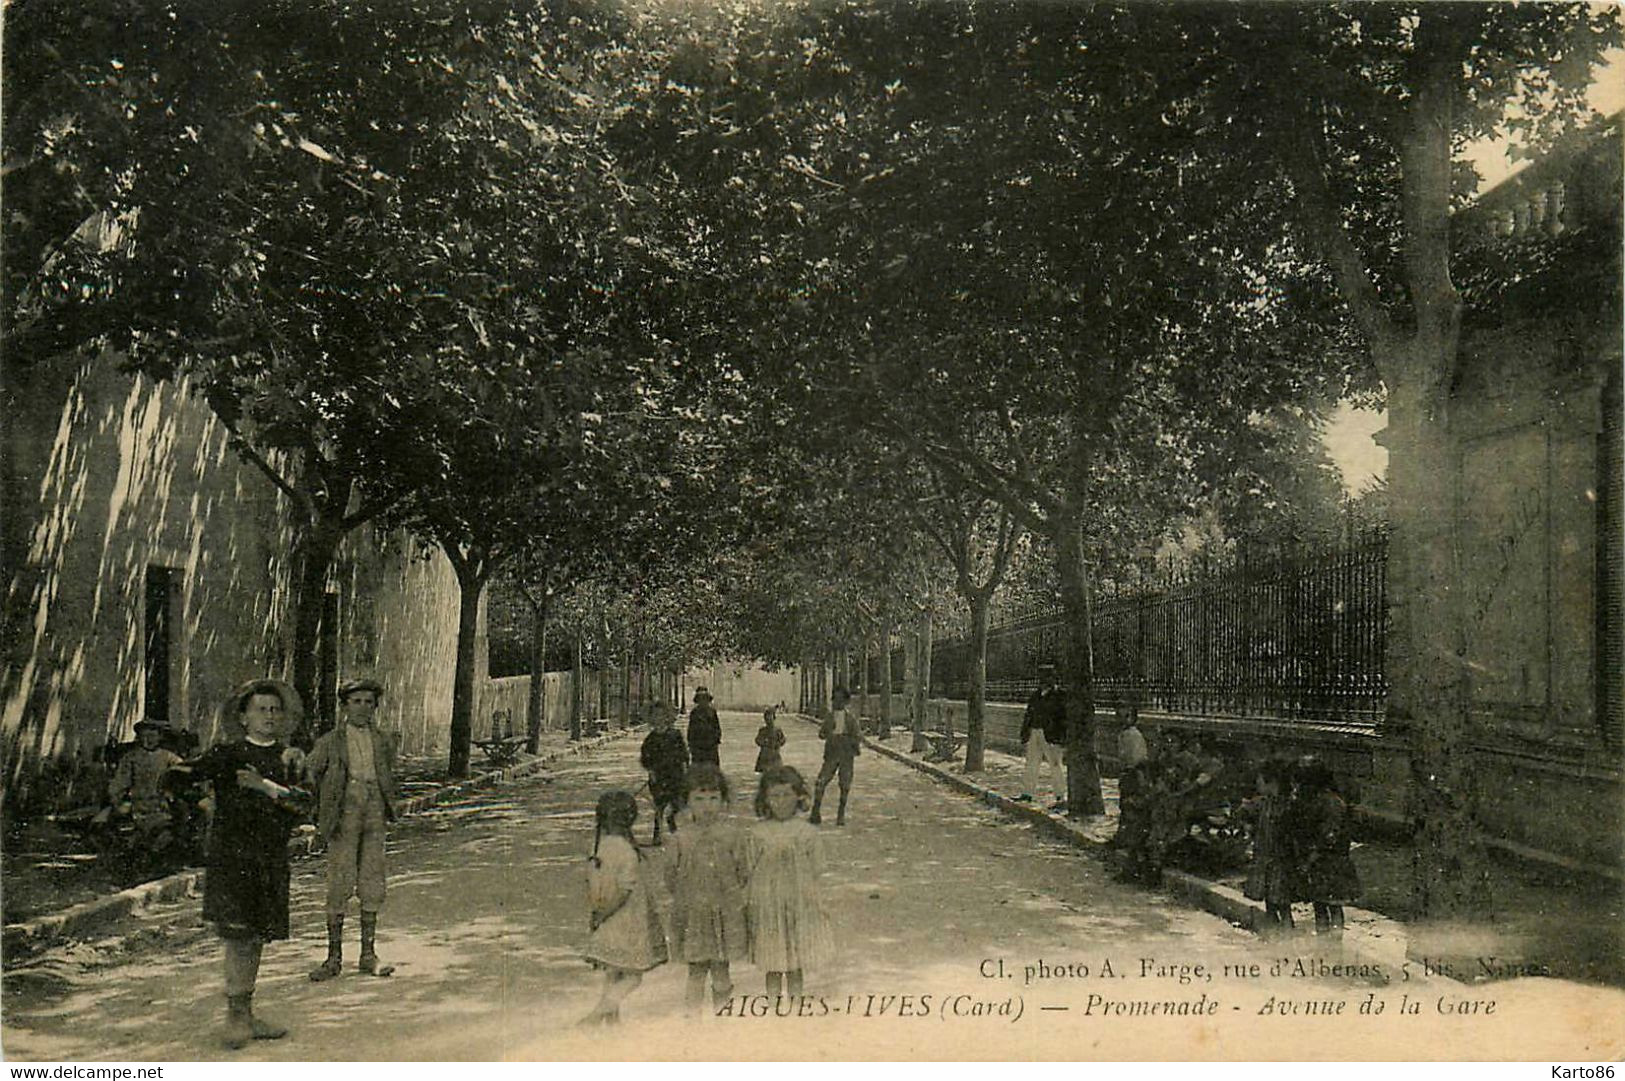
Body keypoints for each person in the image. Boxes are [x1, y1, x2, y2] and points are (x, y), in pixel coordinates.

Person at [172, 679, 308, 1050]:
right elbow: (177, 777)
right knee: (238, 936)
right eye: (260, 709)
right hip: (232, 858)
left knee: (257, 935)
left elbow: (304, 804)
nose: (269, 715)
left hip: (270, 859)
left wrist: (265, 786)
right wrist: (202, 805)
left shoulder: (289, 757)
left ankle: (247, 1014)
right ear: (244, 717)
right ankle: (235, 1016)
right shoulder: (226, 754)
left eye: (275, 710)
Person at [306, 677, 399, 981]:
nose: (362, 708)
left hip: (373, 809)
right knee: (340, 879)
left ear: (375, 707)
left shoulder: (383, 740)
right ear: (345, 706)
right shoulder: (330, 742)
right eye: (356, 701)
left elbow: (387, 772)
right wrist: (321, 810)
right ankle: (333, 958)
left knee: (372, 877)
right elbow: (309, 775)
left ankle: (368, 955)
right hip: (343, 811)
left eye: (368, 702)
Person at [666, 764, 750, 1015]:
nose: (707, 805)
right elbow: (670, 876)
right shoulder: (680, 837)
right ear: (687, 802)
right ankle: (694, 1023)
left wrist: (729, 897)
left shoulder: (733, 835)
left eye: (714, 799)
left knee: (722, 969)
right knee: (696, 970)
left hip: (724, 913)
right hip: (694, 914)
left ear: (724, 801)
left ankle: (721, 1019)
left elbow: (743, 872)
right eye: (699, 799)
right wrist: (687, 897)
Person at [582, 790, 667, 1025]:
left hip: (605, 915)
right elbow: (624, 891)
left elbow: (593, 883)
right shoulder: (627, 851)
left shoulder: (599, 847)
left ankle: (611, 1020)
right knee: (633, 976)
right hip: (626, 918)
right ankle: (597, 1015)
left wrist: (598, 913)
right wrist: (607, 912)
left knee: (613, 971)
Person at [748, 765, 833, 998]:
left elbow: (817, 869)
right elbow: (749, 868)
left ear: (798, 796)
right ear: (765, 799)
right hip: (769, 906)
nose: (781, 801)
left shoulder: (807, 832)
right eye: (775, 796)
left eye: (787, 794)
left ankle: (796, 1011)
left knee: (795, 963)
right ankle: (774, 1009)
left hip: (798, 904)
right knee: (773, 964)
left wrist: (814, 903)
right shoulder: (758, 833)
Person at [1291, 758, 1360, 935]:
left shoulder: (1331, 803)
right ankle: (1323, 942)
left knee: (1333, 906)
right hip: (1318, 861)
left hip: (1331, 860)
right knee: (1319, 905)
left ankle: (1335, 944)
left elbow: (1330, 836)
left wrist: (1311, 857)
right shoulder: (1313, 800)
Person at [101, 720, 184, 857]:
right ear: (139, 738)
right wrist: (118, 800)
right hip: (138, 805)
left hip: (161, 806)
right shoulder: (131, 758)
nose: (148, 740)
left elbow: (182, 770)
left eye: (152, 736)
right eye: (144, 736)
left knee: (166, 834)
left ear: (160, 737)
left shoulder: (168, 757)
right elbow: (119, 783)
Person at [1241, 758, 1297, 936]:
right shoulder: (1264, 803)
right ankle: (1275, 939)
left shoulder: (1287, 805)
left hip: (1280, 860)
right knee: (1271, 903)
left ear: (1271, 782)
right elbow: (1243, 813)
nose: (1257, 784)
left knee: (1282, 904)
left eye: (1260, 780)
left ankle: (1286, 940)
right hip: (1266, 857)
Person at [809, 686, 861, 826]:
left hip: (846, 754)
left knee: (845, 784)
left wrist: (850, 741)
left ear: (846, 701)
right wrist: (829, 733)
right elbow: (821, 734)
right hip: (831, 753)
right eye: (835, 699)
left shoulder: (850, 718)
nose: (837, 703)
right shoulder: (829, 717)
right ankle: (816, 810)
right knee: (821, 781)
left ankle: (841, 813)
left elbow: (857, 736)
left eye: (840, 700)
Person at [1018, 664, 1067, 808]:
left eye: (1048, 677)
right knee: (1031, 763)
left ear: (1053, 678)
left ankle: (1060, 795)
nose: (1044, 680)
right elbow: (1029, 715)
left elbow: (1064, 718)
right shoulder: (1035, 695)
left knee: (1056, 765)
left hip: (1052, 735)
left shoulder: (1060, 696)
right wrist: (1024, 732)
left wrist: (1062, 736)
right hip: (1035, 732)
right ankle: (1027, 793)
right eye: (1042, 677)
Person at [640, 702, 689, 843]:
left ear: (667, 717)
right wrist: (650, 771)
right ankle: (657, 834)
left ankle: (673, 823)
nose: (659, 718)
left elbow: (684, 753)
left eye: (662, 715)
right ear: (652, 719)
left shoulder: (675, 735)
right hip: (659, 775)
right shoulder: (650, 739)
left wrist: (685, 767)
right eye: (655, 715)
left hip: (675, 774)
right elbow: (645, 758)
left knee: (677, 804)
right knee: (659, 805)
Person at [687, 686, 722, 766]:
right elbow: (691, 728)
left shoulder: (712, 712)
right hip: (698, 744)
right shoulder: (695, 712)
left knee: (711, 766)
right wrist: (691, 743)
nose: (703, 702)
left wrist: (716, 739)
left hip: (710, 744)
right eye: (701, 699)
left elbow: (716, 726)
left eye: (705, 699)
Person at [754, 706, 786, 774]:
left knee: (776, 771)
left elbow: (783, 739)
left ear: (774, 718)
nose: (768, 720)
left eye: (770, 717)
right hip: (764, 755)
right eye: (767, 718)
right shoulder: (762, 730)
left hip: (775, 754)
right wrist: (763, 742)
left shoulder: (777, 730)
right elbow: (757, 740)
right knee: (764, 771)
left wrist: (778, 744)